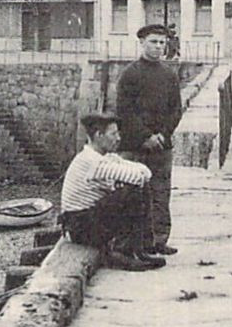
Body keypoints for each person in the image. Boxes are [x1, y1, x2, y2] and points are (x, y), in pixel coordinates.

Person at [58, 113, 164, 270]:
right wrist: (136, 178)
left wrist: (139, 176)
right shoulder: (91, 161)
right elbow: (136, 176)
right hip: (79, 226)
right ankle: (121, 252)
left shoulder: (105, 157)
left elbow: (144, 171)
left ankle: (137, 249)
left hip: (87, 220)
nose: (119, 138)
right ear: (98, 135)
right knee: (131, 191)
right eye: (113, 134)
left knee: (136, 188)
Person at [115, 24, 182, 255]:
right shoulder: (130, 74)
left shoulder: (169, 75)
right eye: (154, 42)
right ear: (142, 43)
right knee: (133, 195)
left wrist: (163, 135)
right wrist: (145, 136)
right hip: (136, 146)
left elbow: (176, 110)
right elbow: (124, 111)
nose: (158, 47)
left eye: (162, 43)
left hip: (162, 147)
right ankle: (135, 242)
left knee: (161, 194)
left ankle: (159, 241)